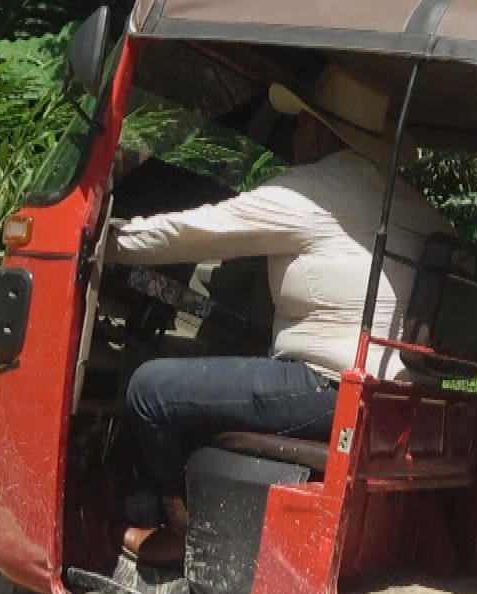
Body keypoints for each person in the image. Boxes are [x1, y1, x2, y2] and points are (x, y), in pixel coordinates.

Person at [110, 64, 454, 565]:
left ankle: (178, 529)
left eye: (301, 123)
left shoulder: (309, 193)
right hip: (400, 403)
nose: (295, 134)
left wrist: (110, 241)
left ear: (316, 129)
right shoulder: (412, 204)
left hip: (329, 390)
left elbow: (198, 231)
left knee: (151, 389)